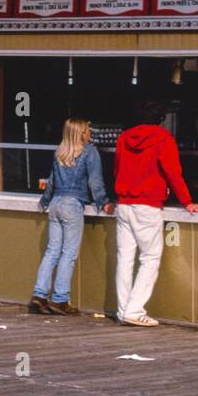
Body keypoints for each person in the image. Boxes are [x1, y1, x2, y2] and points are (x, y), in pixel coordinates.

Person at [114, 98, 198, 327]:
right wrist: (187, 201)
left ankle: (123, 309)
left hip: (124, 203)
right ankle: (134, 310)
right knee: (150, 257)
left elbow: (117, 168)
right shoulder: (164, 138)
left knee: (124, 258)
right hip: (148, 205)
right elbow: (173, 172)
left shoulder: (124, 137)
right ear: (162, 118)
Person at [29, 118, 114, 315]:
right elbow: (95, 181)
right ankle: (59, 300)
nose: (90, 132)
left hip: (56, 203)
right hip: (72, 204)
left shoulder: (60, 151)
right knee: (68, 254)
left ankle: (39, 295)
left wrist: (45, 200)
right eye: (87, 129)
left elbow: (51, 181)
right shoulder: (89, 151)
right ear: (80, 133)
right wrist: (103, 201)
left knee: (52, 251)